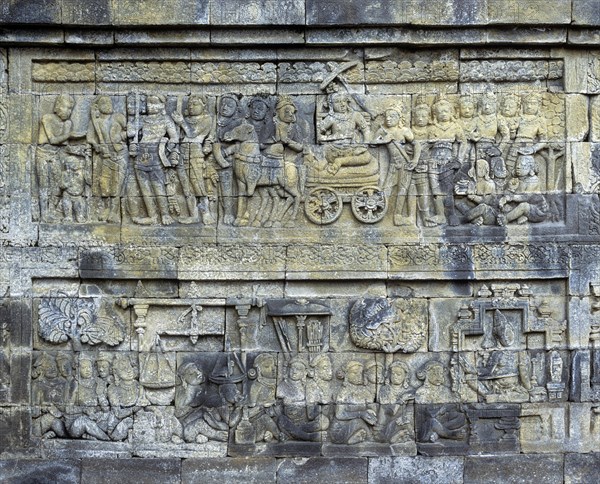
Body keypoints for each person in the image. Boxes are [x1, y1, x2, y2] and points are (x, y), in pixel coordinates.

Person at [128, 94, 177, 225]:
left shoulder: (166, 120)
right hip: (141, 153)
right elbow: (130, 133)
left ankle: (165, 215)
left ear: (162, 105)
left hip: (157, 154)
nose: (151, 106)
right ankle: (152, 216)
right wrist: (133, 122)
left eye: (155, 103)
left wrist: (167, 148)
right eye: (149, 103)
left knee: (158, 186)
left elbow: (174, 138)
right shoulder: (143, 120)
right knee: (144, 188)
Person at [36, 94, 85, 222]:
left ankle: (52, 210)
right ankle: (44, 213)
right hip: (43, 154)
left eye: (71, 109)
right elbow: (52, 140)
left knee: (58, 185)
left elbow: (65, 145)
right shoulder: (47, 118)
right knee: (44, 185)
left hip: (56, 155)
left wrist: (80, 152)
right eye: (66, 108)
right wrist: (70, 135)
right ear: (57, 106)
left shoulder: (67, 123)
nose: (68, 112)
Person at [171, 95, 218, 225]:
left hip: (196, 153)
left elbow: (192, 133)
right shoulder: (186, 119)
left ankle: (206, 213)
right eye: (189, 105)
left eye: (195, 104)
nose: (191, 107)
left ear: (204, 105)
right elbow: (179, 137)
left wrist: (181, 123)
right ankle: (193, 215)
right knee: (185, 186)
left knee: (198, 185)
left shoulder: (207, 119)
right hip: (182, 152)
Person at [372, 107, 420, 226]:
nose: (388, 118)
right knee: (386, 188)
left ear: (399, 118)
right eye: (386, 116)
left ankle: (398, 215)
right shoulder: (382, 131)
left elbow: (417, 144)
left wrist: (415, 160)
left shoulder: (404, 131)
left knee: (402, 190)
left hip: (405, 164)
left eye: (392, 116)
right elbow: (373, 143)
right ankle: (379, 211)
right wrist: (385, 140)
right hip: (394, 164)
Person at [87, 95, 127, 223]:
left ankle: (114, 212)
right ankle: (106, 208)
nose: (108, 104)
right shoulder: (96, 122)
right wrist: (97, 146)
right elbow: (90, 138)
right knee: (104, 184)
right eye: (104, 102)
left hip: (120, 154)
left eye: (109, 102)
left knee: (117, 184)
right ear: (97, 107)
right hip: (105, 157)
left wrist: (122, 136)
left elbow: (131, 131)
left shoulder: (119, 117)